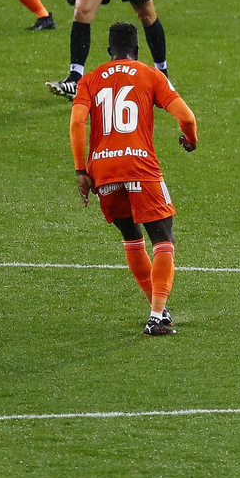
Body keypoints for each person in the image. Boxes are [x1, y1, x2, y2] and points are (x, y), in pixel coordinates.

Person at [70, 22, 197, 336]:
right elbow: (186, 117)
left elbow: (76, 124)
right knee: (163, 237)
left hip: (102, 170)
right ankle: (156, 317)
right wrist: (190, 138)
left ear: (109, 52)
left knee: (131, 236)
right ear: (137, 51)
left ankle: (158, 309)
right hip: (141, 167)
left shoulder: (89, 80)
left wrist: (80, 171)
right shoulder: (151, 75)